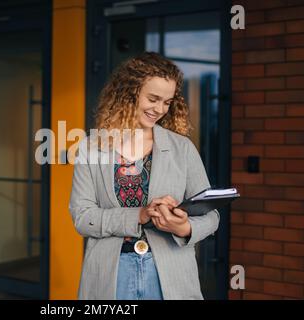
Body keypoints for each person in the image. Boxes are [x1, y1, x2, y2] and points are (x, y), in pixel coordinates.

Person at [68, 51, 219, 300]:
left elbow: (211, 216)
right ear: (129, 93)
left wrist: (184, 227)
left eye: (167, 102)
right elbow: (83, 218)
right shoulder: (90, 147)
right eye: (153, 98)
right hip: (111, 275)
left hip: (171, 274)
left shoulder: (182, 148)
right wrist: (139, 214)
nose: (160, 109)